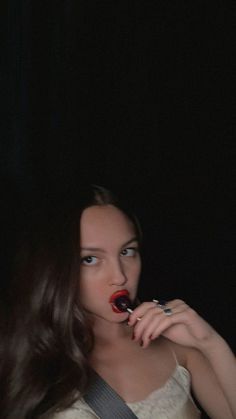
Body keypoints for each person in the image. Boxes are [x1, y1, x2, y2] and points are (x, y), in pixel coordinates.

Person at [1, 185, 236, 419]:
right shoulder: (24, 356)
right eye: (90, 259)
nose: (120, 276)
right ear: (56, 270)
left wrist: (211, 343)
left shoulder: (178, 345)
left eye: (127, 252)